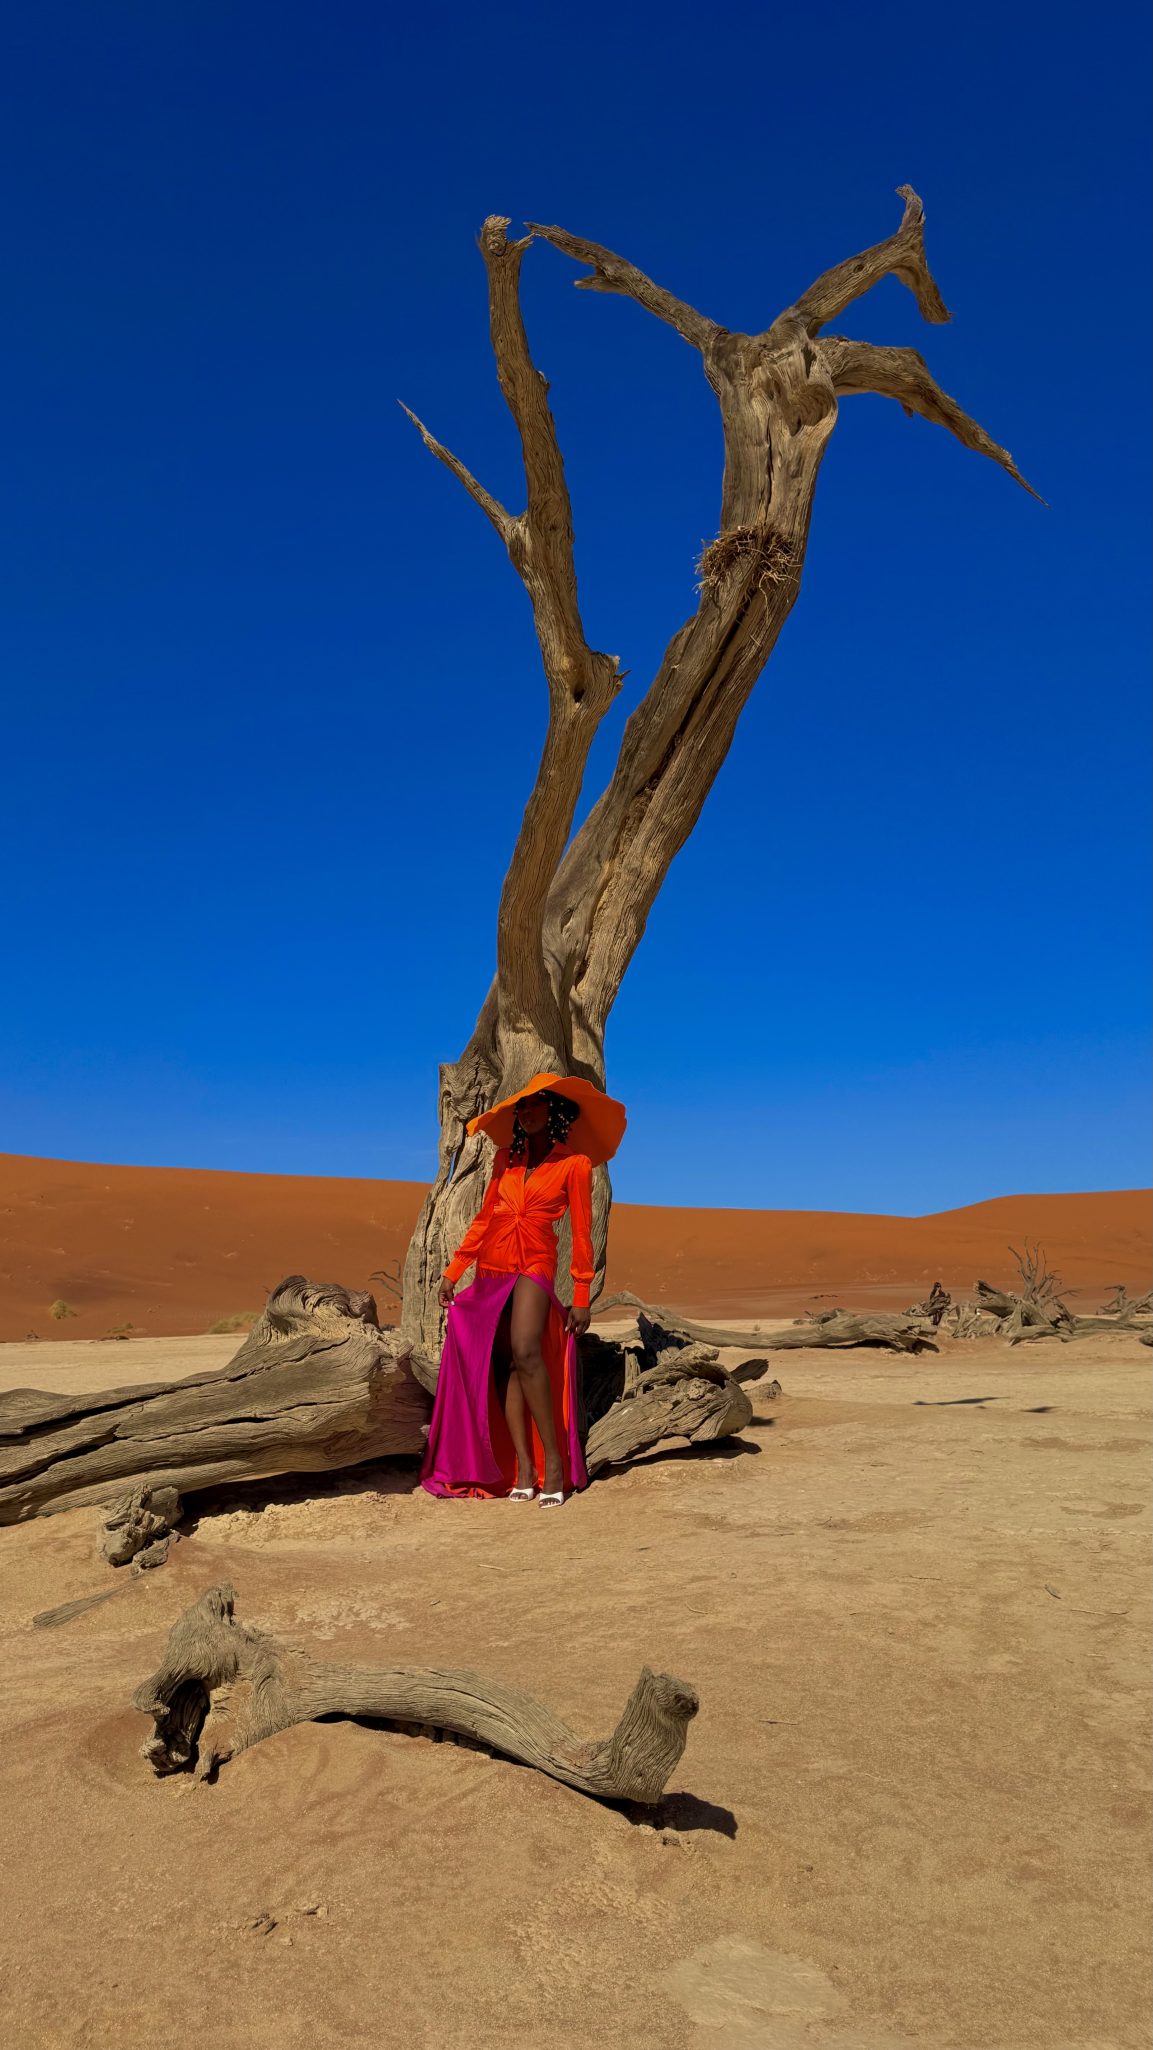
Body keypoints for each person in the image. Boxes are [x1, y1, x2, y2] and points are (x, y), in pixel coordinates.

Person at [419, 1071, 626, 1508]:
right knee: (508, 1364)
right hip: (493, 1262)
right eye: (521, 1108)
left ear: (555, 1113)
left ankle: (553, 1461)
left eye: (534, 1105)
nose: (526, 1113)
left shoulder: (575, 1165)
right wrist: (454, 1270)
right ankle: (523, 1469)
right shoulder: (503, 1161)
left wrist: (583, 1296)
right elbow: (485, 1218)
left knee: (527, 1350)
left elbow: (584, 1234)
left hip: (534, 1262)